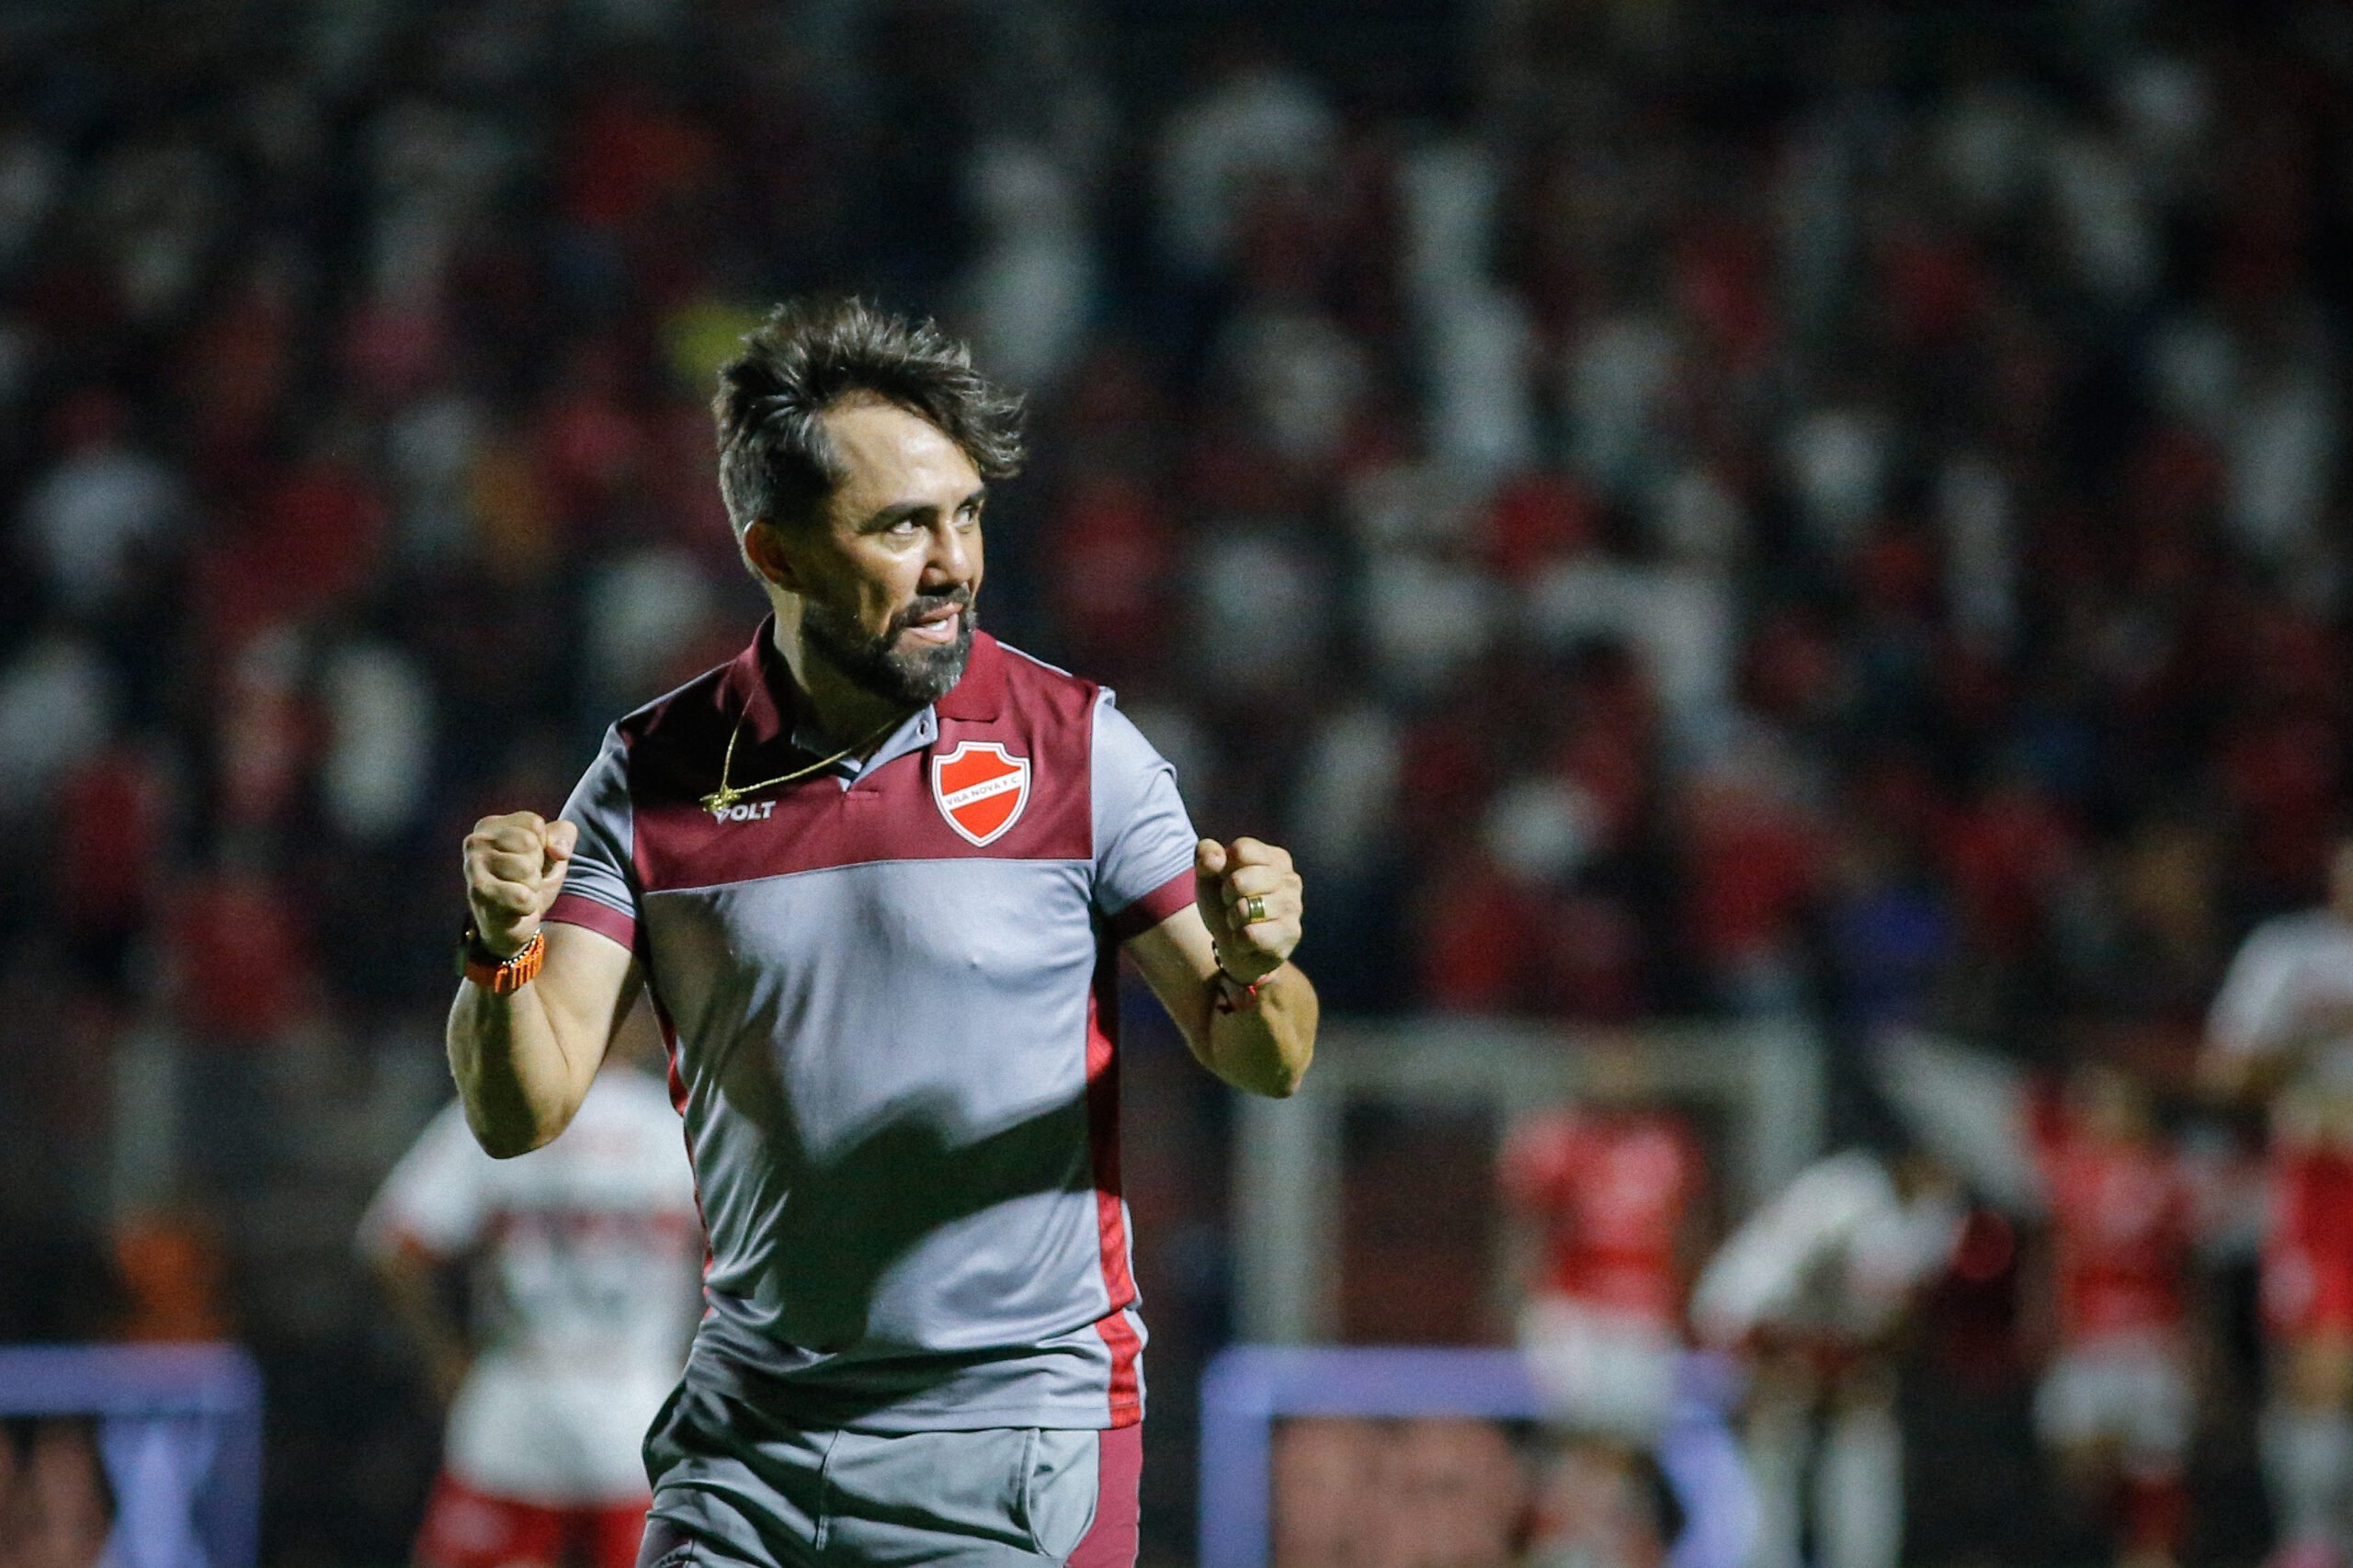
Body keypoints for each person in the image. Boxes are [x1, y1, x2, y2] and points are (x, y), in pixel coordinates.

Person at [446, 297, 1318, 1568]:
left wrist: (1255, 964)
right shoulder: (652, 772)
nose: (953, 560)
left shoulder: (1079, 750)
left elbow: (1269, 1056)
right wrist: (496, 949)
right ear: (778, 551)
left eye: (965, 514)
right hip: (747, 1446)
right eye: (902, 524)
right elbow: (517, 1113)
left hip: (1012, 1435)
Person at [358, 1010, 703, 1568]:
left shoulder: (506, 1111)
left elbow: (395, 1245)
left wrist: (445, 1361)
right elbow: (755, 1262)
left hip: (517, 1394)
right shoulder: (678, 1127)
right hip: (640, 1402)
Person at [1690, 1142, 1961, 1568]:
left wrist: (1853, 1366)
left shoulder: (1935, 1214)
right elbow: (1774, 1283)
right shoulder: (1845, 1192)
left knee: (1863, 1440)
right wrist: (1788, 1364)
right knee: (1773, 1454)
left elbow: (1903, 1316)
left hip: (1835, 1342)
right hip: (1753, 1328)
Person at [2202, 836, 2353, 1568]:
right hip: (2324, 1177)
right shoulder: (2289, 953)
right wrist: (2310, 1040)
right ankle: (2310, 1541)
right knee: (2318, 1368)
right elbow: (2225, 1073)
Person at [1496, 1052, 1707, 1568]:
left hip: (1644, 1312)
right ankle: (1557, 1547)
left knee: (1627, 1448)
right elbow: (1524, 1230)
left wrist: (1689, 1306)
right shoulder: (1558, 1140)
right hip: (1573, 1307)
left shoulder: (1665, 1146)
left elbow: (1687, 1231)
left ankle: (1598, 1549)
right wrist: (1517, 1301)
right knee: (1577, 1434)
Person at [2027, 1063, 2200, 1568]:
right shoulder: (2065, 1174)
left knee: (2157, 1471)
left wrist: (2196, 1348)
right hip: (2088, 1339)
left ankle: (2150, 1553)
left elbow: (2187, 1269)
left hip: (2153, 1337)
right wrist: (2043, 1326)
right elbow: (2051, 1261)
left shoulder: (2168, 1174)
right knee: (2080, 1470)